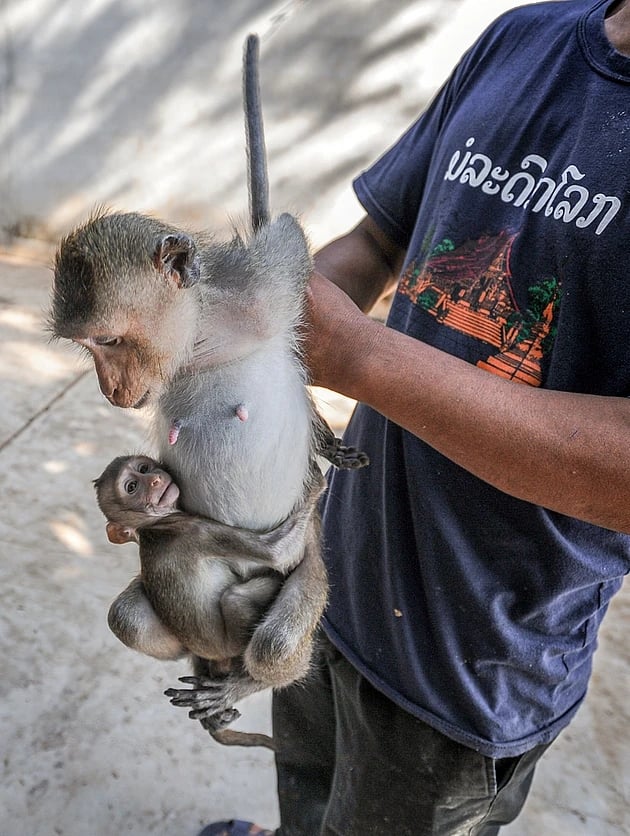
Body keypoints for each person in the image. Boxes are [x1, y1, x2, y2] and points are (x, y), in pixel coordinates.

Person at [202, 1, 630, 834]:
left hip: (469, 662)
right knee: (308, 796)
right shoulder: (524, 37)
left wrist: (358, 356)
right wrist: (250, 344)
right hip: (338, 575)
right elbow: (375, 242)